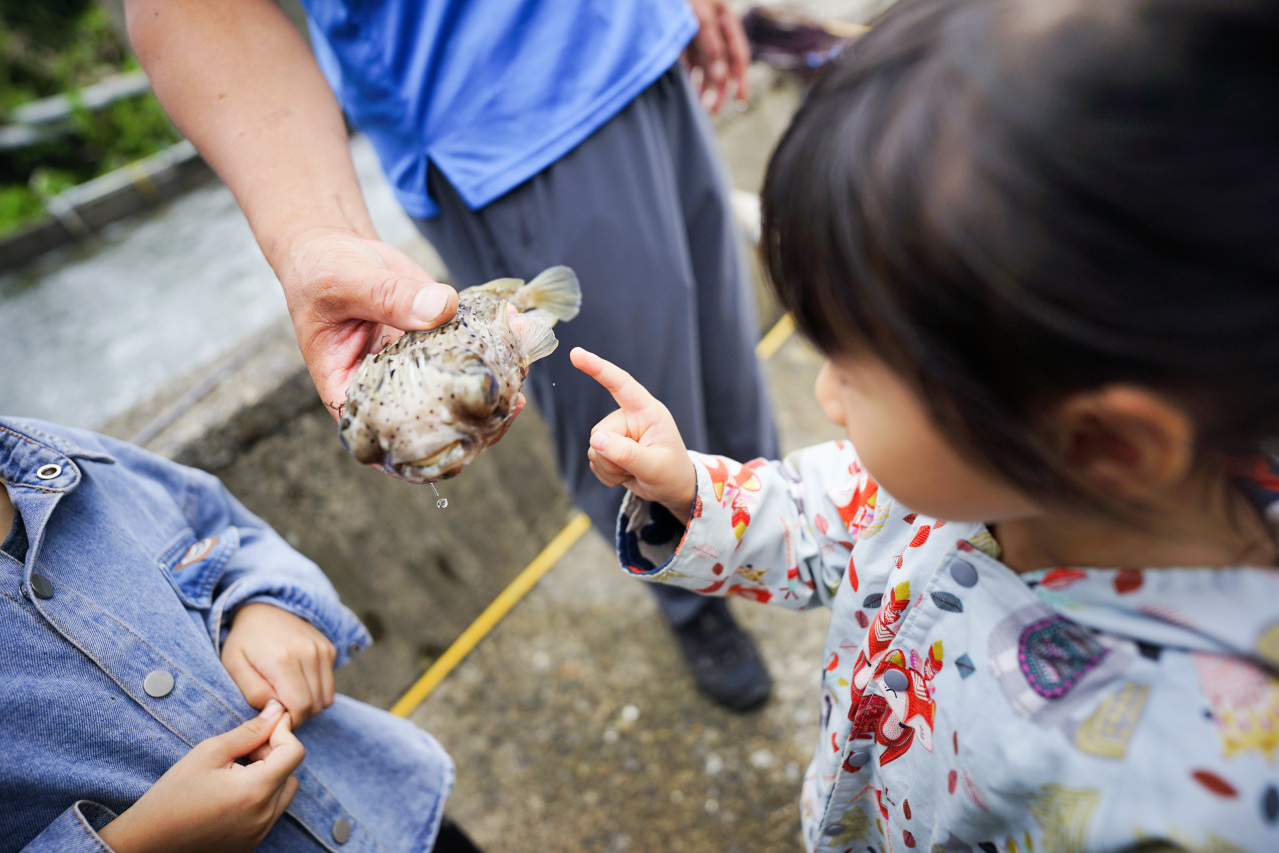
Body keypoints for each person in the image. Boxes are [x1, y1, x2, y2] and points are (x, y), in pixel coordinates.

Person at [568, 0, 1279, 849]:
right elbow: (817, 515)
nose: (826, 396)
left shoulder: (1206, 787)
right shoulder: (968, 474)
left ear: (1102, 444)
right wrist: (689, 490)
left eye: (854, 368)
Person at [125, 0, 779, 710]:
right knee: (622, 405)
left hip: (641, 40)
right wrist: (310, 233)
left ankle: (768, 529)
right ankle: (692, 604)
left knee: (726, 360)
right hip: (495, 117)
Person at [0, 416, 479, 852]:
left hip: (390, 810)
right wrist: (139, 844)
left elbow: (221, 525)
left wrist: (270, 604)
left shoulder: (56, 453)